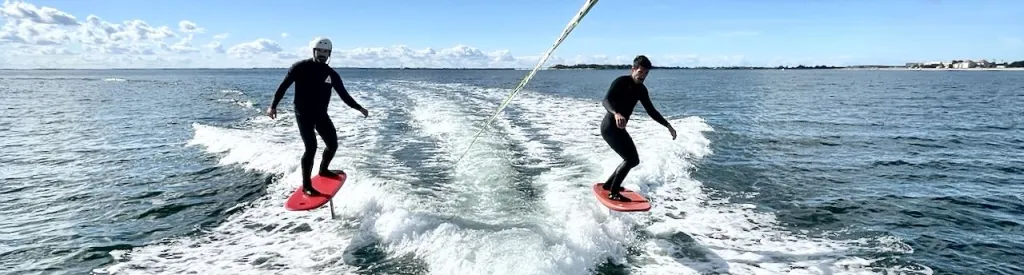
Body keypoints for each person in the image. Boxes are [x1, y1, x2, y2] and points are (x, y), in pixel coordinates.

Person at [266, 37, 369, 196]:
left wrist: (359, 108)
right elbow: (283, 87)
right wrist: (273, 106)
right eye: (319, 50)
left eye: (325, 51)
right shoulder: (300, 67)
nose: (322, 54)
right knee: (311, 147)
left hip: (321, 114)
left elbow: (344, 95)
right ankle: (307, 185)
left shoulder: (331, 74)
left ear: (329, 54)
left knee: (333, 145)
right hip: (303, 113)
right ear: (313, 51)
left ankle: (323, 170)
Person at [599, 55, 676, 202]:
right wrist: (616, 113)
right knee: (631, 159)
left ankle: (609, 185)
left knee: (632, 159)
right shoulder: (621, 82)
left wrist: (668, 125)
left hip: (619, 129)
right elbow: (605, 100)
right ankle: (613, 192)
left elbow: (651, 111)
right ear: (633, 69)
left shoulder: (641, 90)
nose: (643, 76)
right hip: (609, 127)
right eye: (640, 72)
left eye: (646, 73)